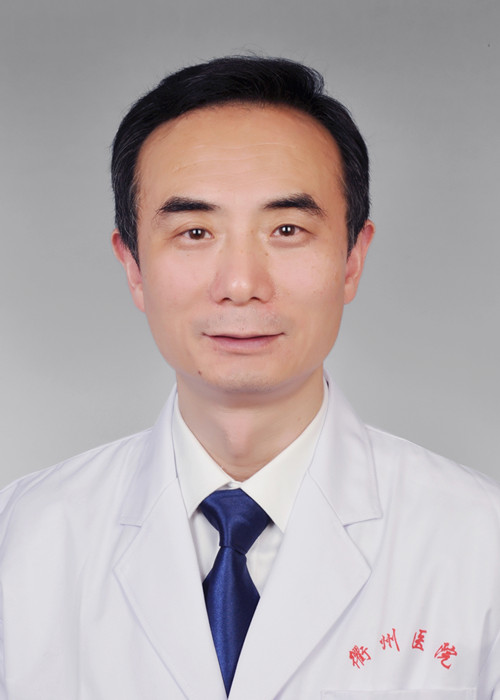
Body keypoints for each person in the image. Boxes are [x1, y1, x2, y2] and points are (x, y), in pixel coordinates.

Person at [0, 56, 499, 699]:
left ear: (352, 259)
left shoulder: (479, 543)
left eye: (287, 229)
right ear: (133, 268)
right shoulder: (21, 540)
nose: (240, 284)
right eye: (195, 231)